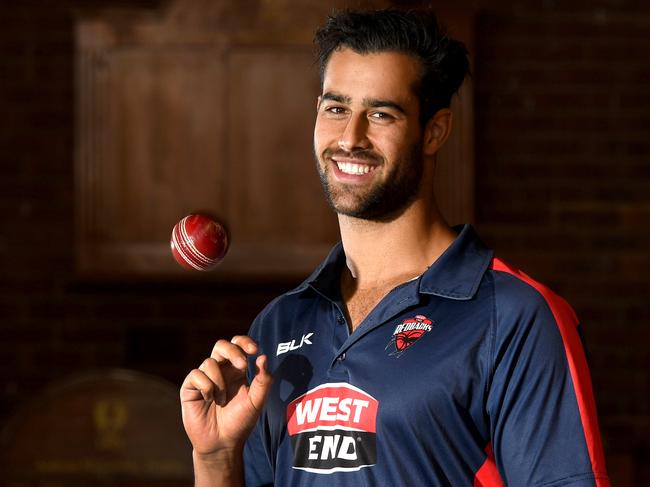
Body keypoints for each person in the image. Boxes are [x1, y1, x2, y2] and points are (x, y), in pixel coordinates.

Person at [180, 9, 611, 486]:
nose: (350, 137)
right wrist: (217, 458)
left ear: (435, 131)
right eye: (336, 108)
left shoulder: (513, 316)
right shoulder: (281, 323)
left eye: (381, 114)